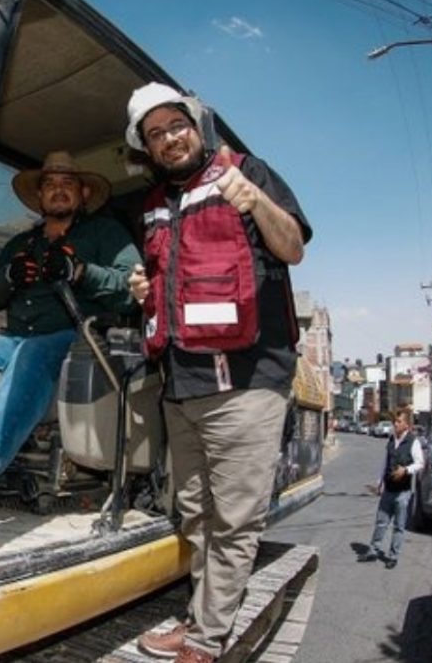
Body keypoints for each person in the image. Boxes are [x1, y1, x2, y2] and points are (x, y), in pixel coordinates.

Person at [125, 83, 311, 663]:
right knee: (196, 514)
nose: (168, 139)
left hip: (247, 383)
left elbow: (294, 248)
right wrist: (142, 289)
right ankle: (201, 618)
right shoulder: (154, 203)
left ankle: (207, 641)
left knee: (234, 519)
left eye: (175, 125)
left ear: (195, 125)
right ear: (147, 147)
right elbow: (171, 288)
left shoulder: (246, 171)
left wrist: (254, 199)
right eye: (154, 134)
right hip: (181, 386)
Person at [0, 150, 141, 521]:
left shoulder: (106, 234)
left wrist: (82, 272)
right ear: (40, 197)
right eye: (49, 184)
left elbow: (131, 289)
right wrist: (8, 277)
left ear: (83, 193)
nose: (58, 190)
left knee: (32, 356)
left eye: (67, 183)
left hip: (75, 338)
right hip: (12, 338)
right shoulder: (22, 244)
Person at [358, 408, 423, 569]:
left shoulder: (413, 442)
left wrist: (406, 470)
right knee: (381, 522)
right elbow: (385, 462)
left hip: (403, 492)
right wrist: (379, 482)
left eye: (399, 421)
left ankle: (393, 556)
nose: (395, 424)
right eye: (395, 421)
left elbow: (420, 463)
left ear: (406, 425)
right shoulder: (391, 440)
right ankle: (373, 551)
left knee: (399, 527)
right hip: (388, 490)